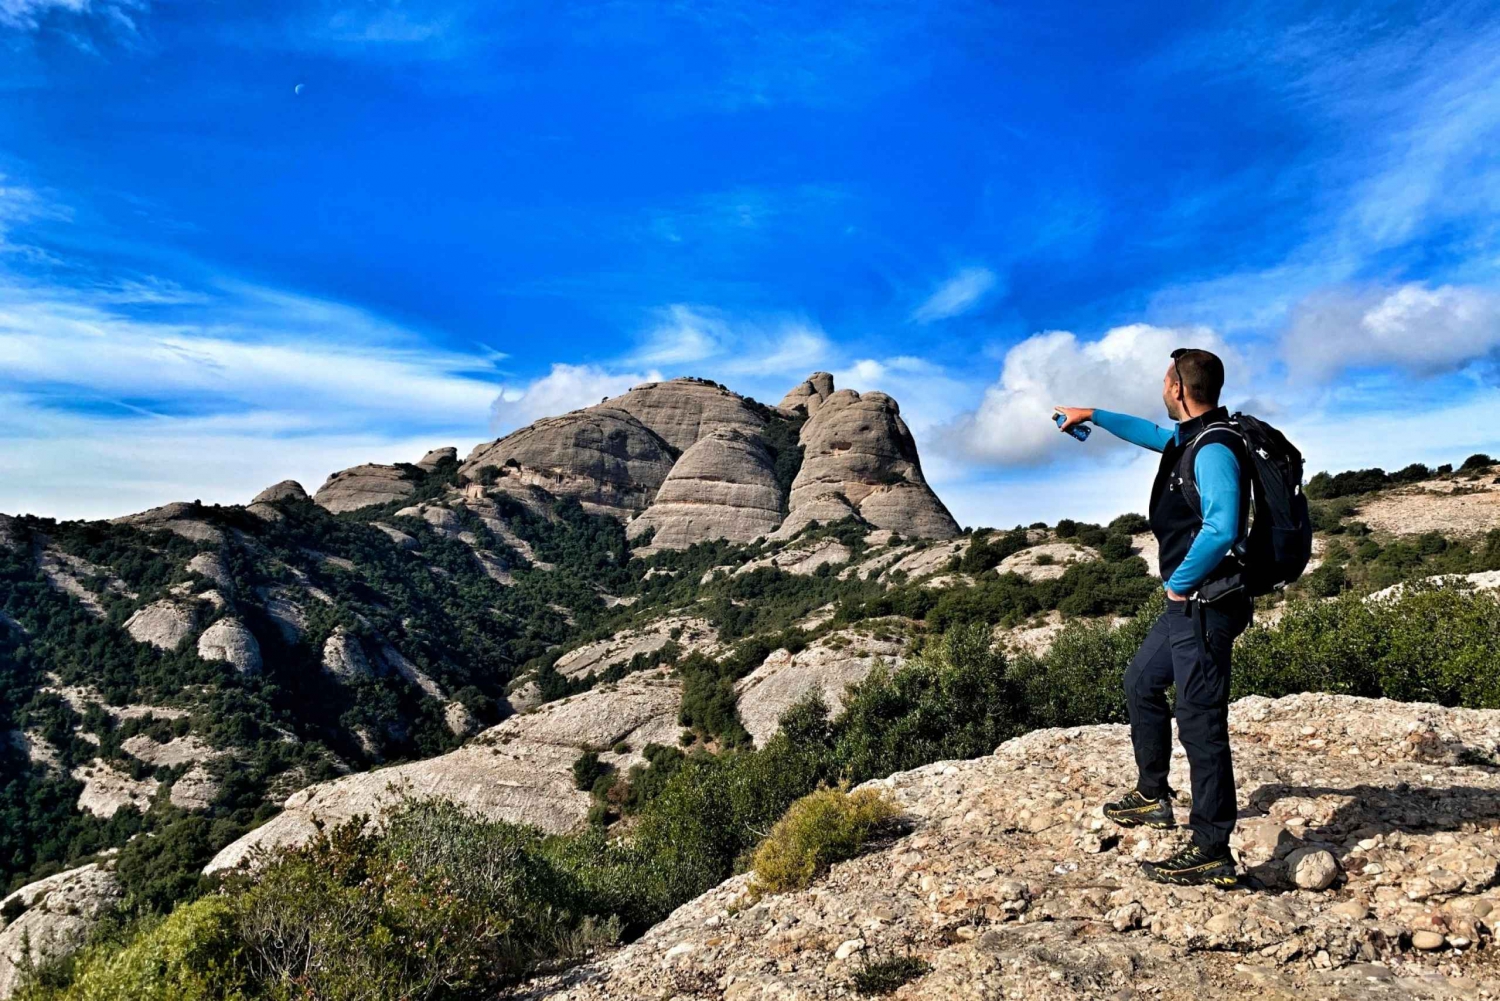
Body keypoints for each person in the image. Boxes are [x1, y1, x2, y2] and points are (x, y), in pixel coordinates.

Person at [1054, 347, 1251, 887]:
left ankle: (1212, 847)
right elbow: (1148, 433)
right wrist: (1091, 414)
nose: (1162, 391)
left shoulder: (1213, 448)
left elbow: (1223, 526)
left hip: (1207, 602)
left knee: (1200, 720)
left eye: (1165, 383)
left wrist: (1178, 583)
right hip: (1188, 604)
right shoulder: (1189, 438)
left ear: (1179, 390)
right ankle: (1152, 795)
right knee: (1141, 680)